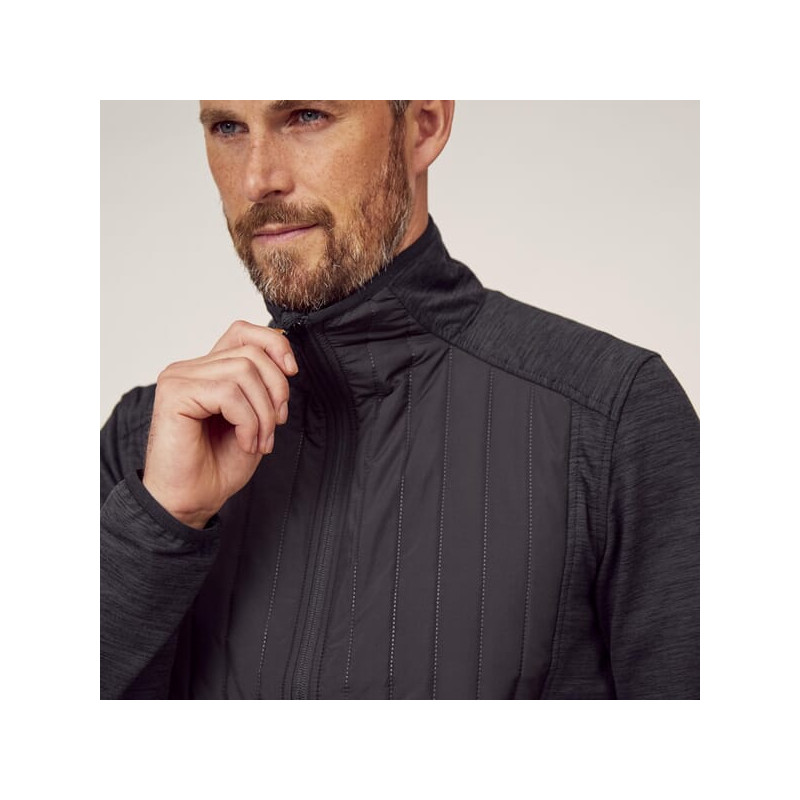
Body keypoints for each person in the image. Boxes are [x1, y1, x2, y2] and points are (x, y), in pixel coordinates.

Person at [101, 101, 699, 700]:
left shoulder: (612, 418)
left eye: (307, 116)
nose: (258, 179)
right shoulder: (147, 445)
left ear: (424, 126)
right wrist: (162, 525)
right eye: (228, 127)